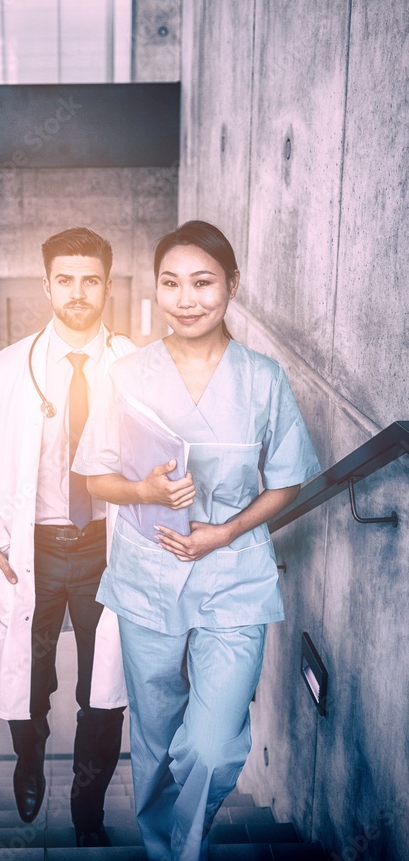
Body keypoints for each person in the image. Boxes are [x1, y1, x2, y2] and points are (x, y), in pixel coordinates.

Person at [73, 220, 321, 861]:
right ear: (156, 290)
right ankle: (167, 849)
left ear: (232, 286)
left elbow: (288, 481)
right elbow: (95, 475)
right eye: (171, 283)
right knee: (153, 737)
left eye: (203, 283)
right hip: (147, 573)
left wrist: (227, 532)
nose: (186, 299)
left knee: (209, 747)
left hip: (233, 575)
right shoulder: (125, 376)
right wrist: (146, 492)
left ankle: (186, 842)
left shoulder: (263, 380)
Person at [0, 227, 136, 846]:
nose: (78, 292)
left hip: (107, 550)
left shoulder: (137, 366)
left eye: (90, 279)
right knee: (27, 678)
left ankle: (89, 806)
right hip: (30, 548)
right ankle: (28, 760)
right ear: (48, 285)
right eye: (66, 279)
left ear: (107, 285)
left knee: (104, 686)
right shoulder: (8, 369)